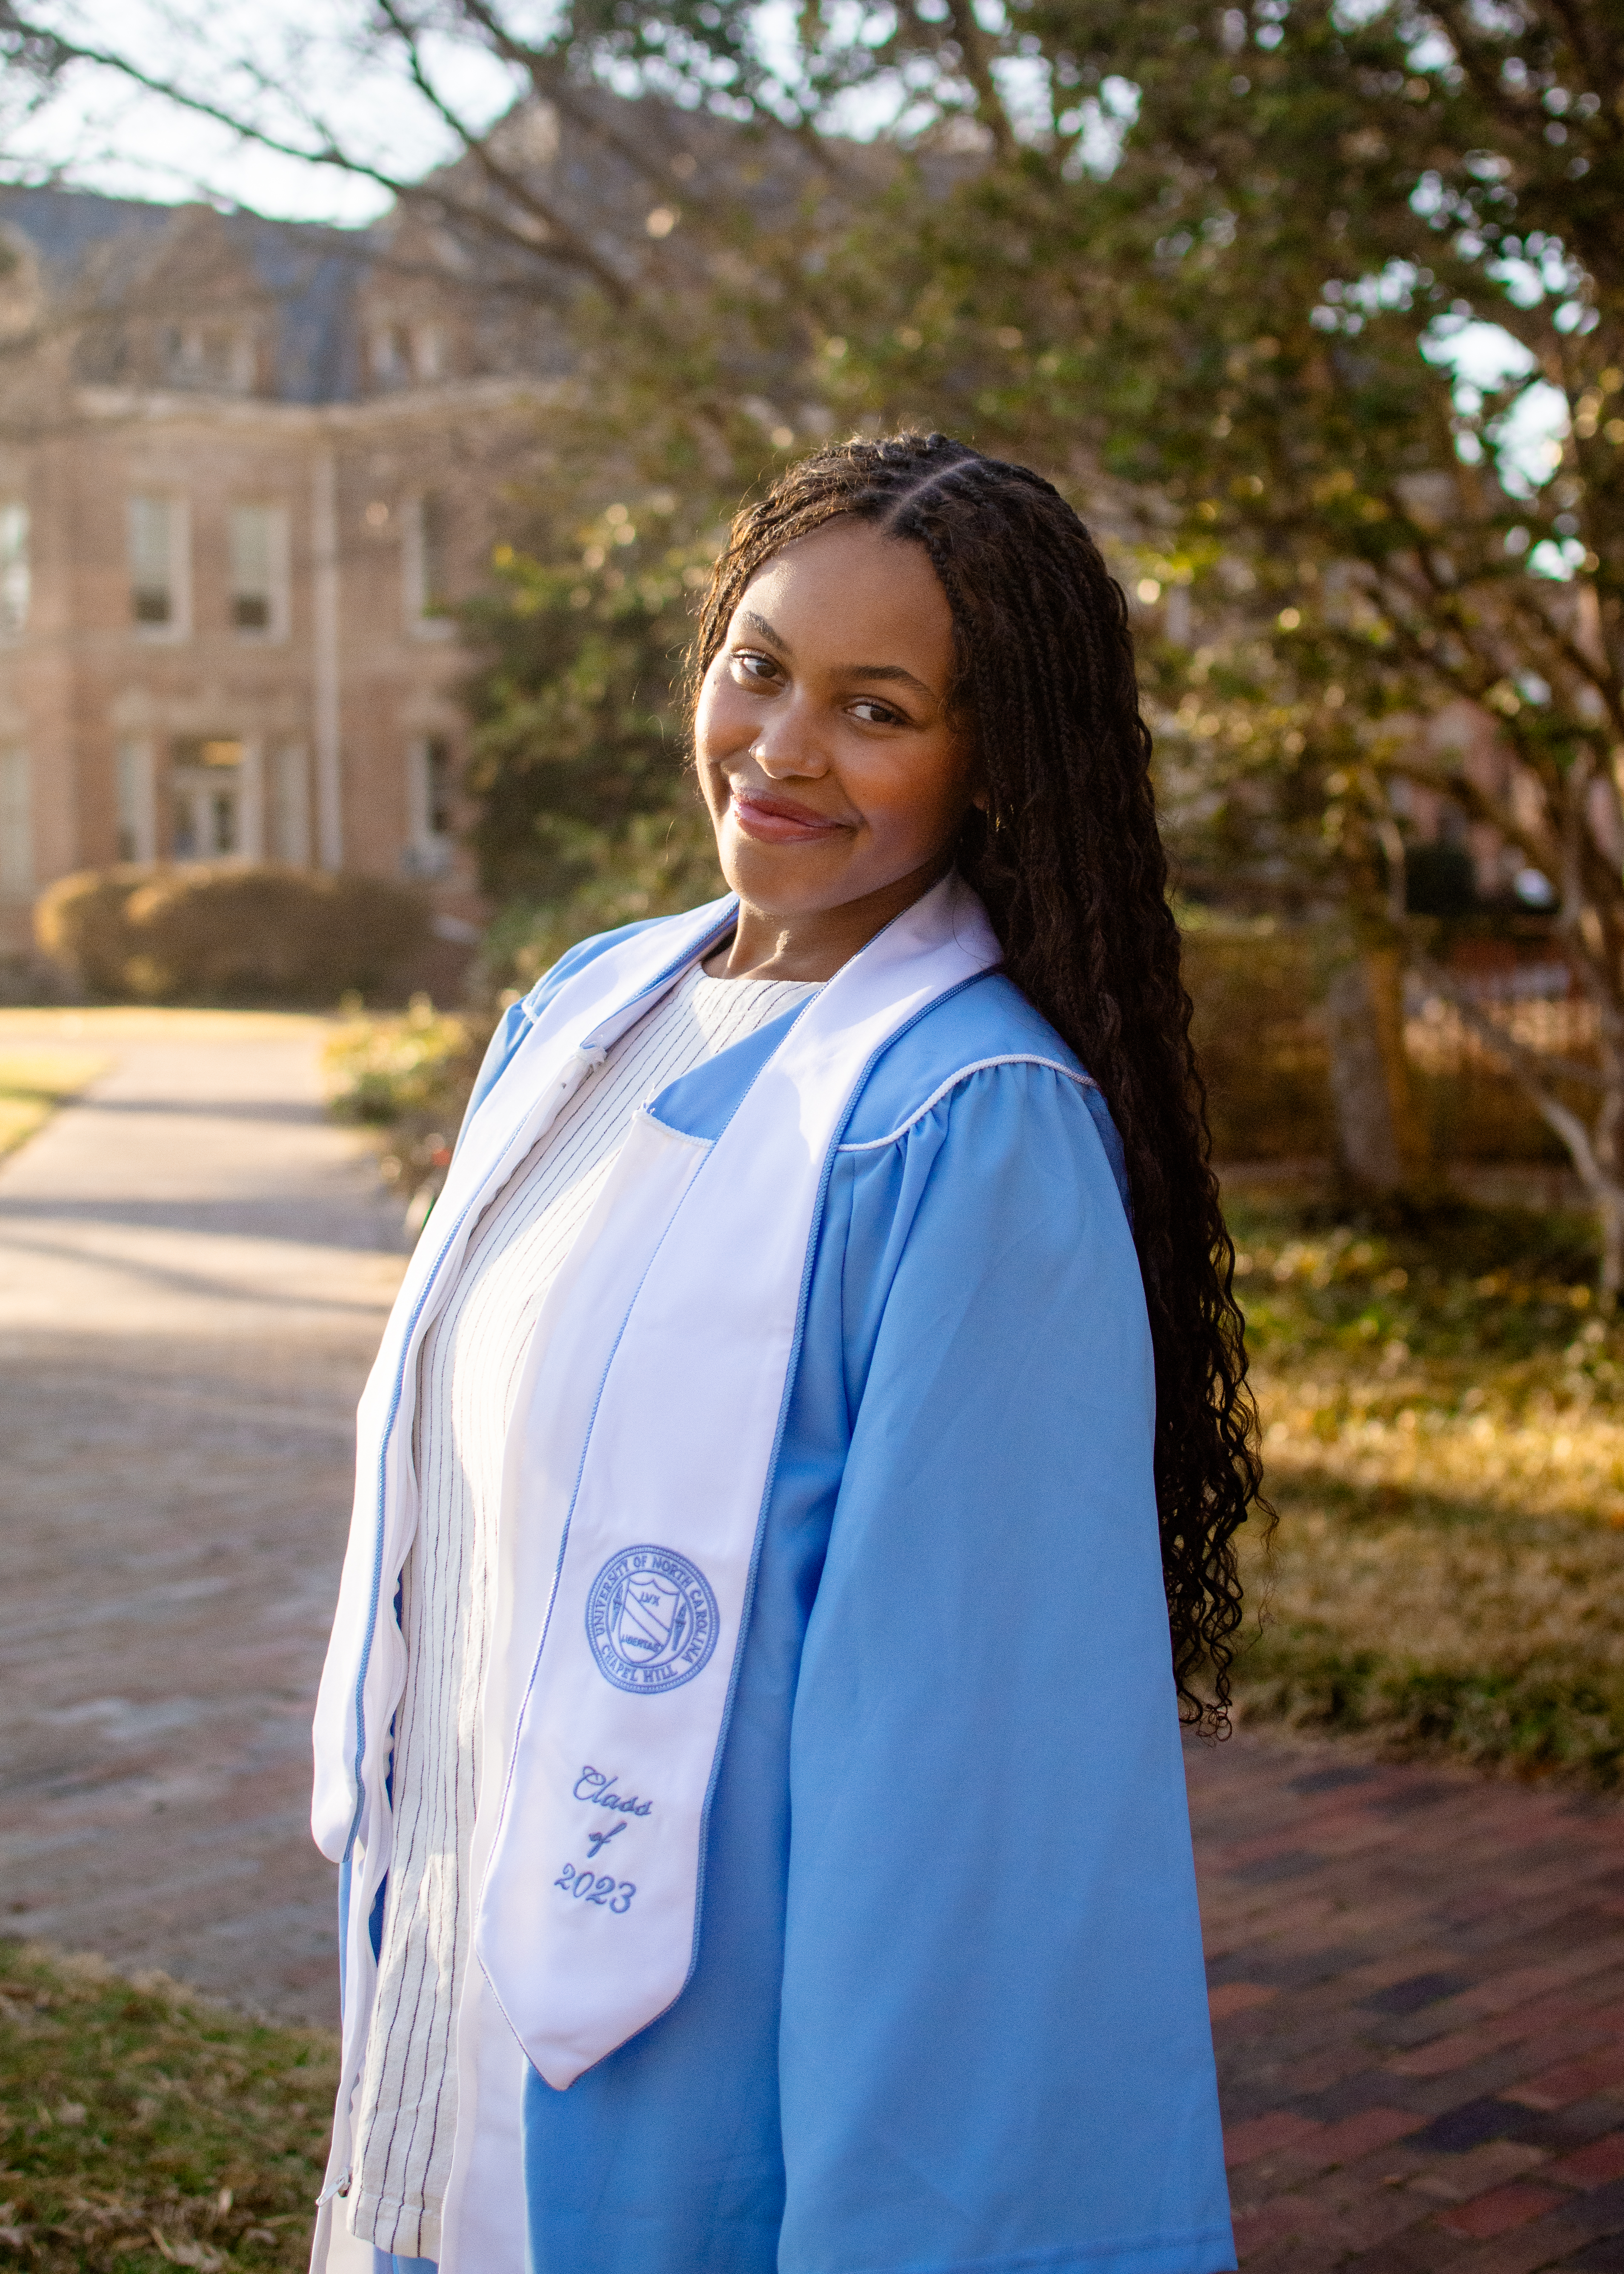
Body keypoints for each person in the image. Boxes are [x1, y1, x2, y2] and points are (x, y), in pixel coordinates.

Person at [309, 431, 1262, 2274]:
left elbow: (974, 1792)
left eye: (877, 707)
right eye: (758, 666)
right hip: (457, 1978)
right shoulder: (592, 1015)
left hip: (710, 2063)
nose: (783, 746)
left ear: (998, 763)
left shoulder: (968, 1131)